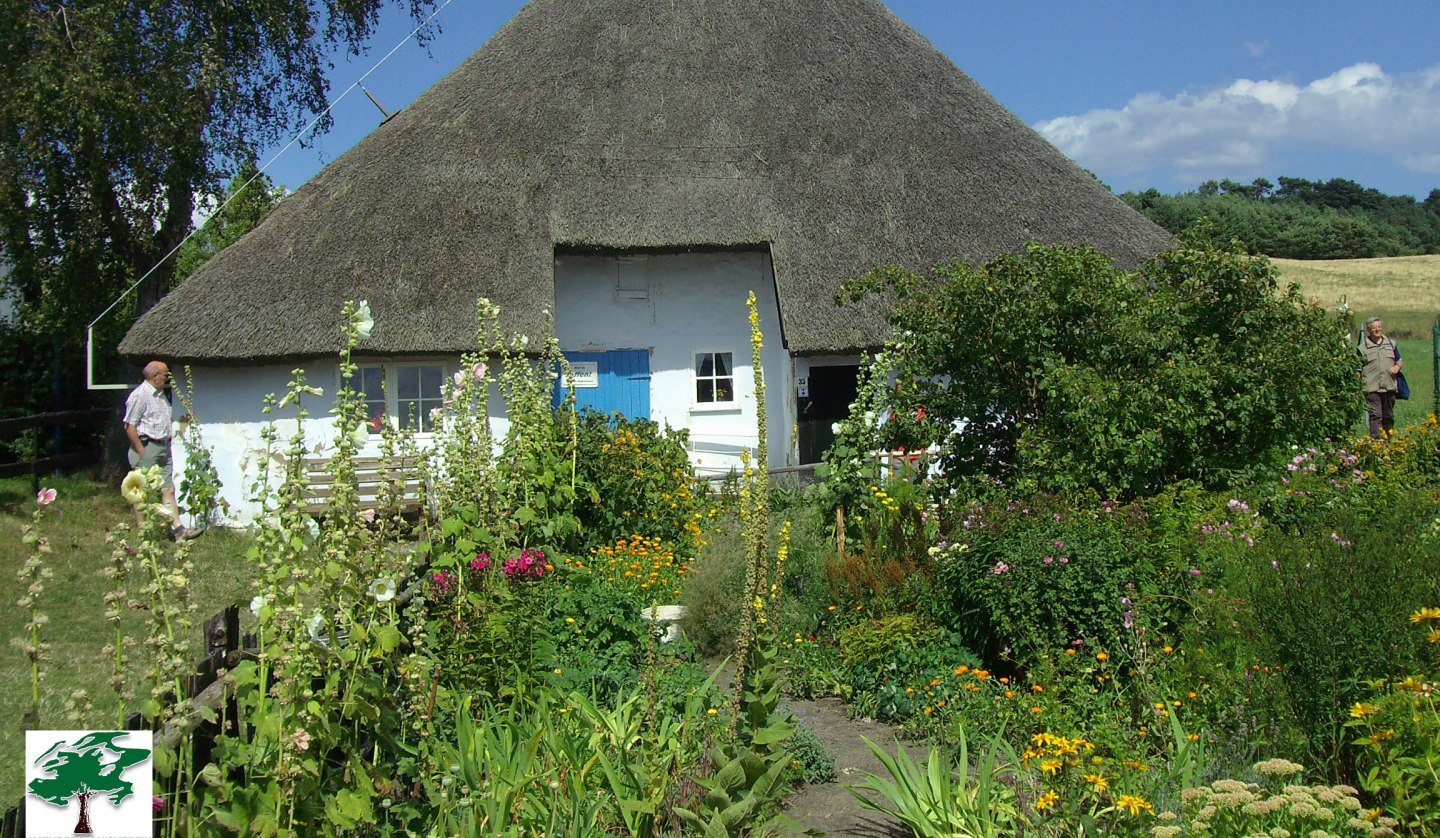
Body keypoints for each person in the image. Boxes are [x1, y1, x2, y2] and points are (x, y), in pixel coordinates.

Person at [124, 361, 198, 539]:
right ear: (154, 375)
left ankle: (178, 529)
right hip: (148, 445)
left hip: (164, 446)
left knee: (168, 489)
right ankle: (144, 531)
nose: (168, 378)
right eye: (165, 374)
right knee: (141, 491)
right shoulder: (140, 395)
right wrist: (142, 451)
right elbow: (129, 426)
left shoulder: (160, 395)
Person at [1357, 317, 1402, 439]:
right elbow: (1358, 370)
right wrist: (1358, 387)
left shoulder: (1391, 344)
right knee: (1375, 416)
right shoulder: (1362, 348)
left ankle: (1388, 443)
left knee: (1388, 416)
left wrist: (1396, 368)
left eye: (1379, 327)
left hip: (1389, 386)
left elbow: (1399, 361)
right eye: (1374, 328)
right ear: (1369, 330)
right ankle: (1376, 444)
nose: (1377, 330)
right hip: (1372, 388)